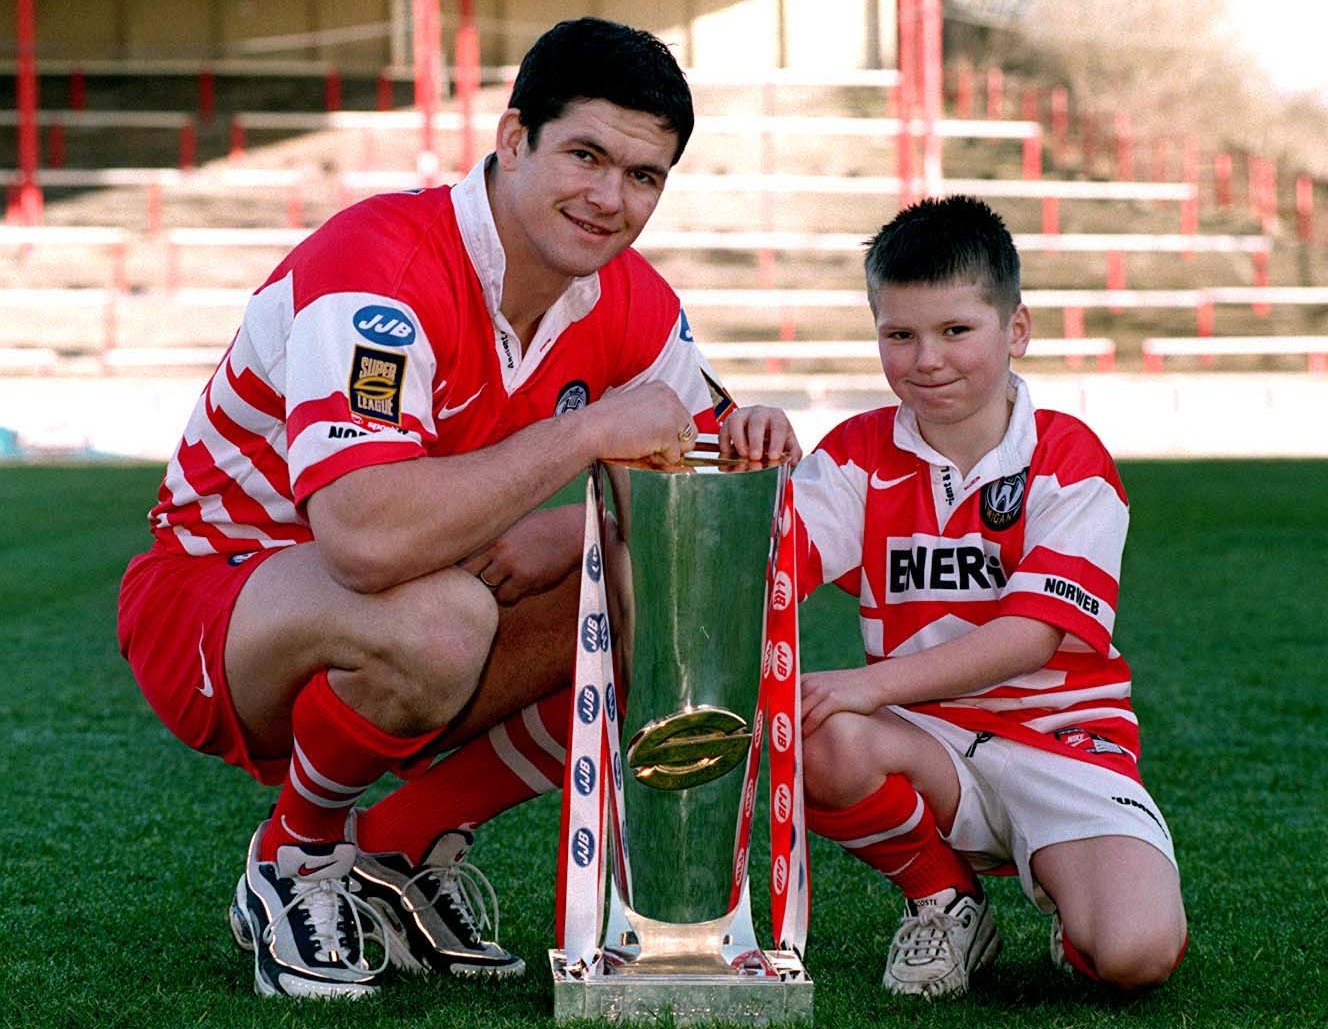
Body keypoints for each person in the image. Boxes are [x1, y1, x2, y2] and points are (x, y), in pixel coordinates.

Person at [117, 17, 797, 1000]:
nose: (610, 199)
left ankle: (394, 849)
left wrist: (723, 453)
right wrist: (578, 436)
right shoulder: (381, 265)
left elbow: (732, 489)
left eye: (643, 177)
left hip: (415, 594)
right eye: (586, 156)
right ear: (512, 138)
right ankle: (292, 860)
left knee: (659, 588)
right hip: (215, 603)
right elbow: (360, 538)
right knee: (438, 616)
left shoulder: (626, 299)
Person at [791, 195, 1186, 998]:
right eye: (898, 335)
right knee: (813, 731)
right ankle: (946, 900)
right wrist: (745, 460)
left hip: (1061, 743)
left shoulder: (1070, 458)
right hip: (923, 744)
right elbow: (771, 571)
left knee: (1134, 954)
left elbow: (1031, 636)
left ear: (1017, 330)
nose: (925, 359)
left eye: (954, 331)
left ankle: (1076, 902)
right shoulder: (856, 454)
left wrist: (865, 684)